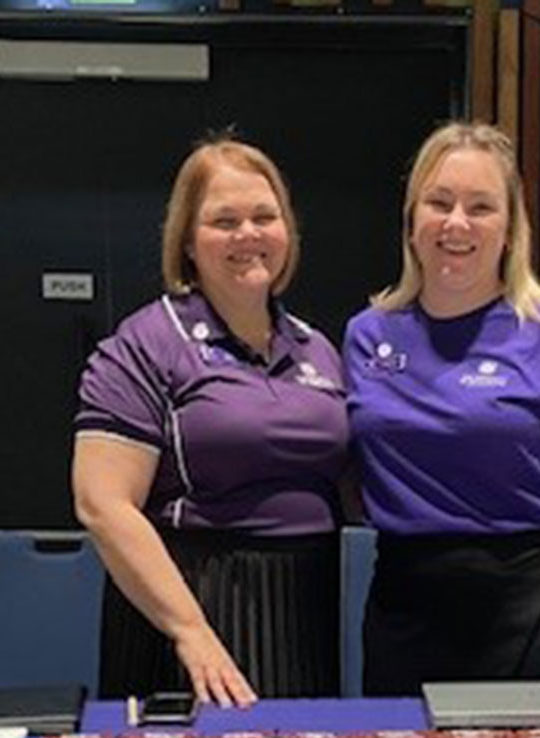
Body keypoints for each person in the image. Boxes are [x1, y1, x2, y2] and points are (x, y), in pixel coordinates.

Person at [345, 122, 540, 696]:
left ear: (509, 227)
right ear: (412, 217)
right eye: (439, 203)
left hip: (534, 609)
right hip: (406, 610)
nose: (457, 223)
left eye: (480, 207)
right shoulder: (365, 335)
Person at [72, 138, 347, 706]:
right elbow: (101, 504)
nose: (249, 234)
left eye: (264, 217)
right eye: (225, 221)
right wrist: (191, 632)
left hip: (308, 607)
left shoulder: (316, 348)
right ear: (189, 242)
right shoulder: (145, 343)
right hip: (193, 606)